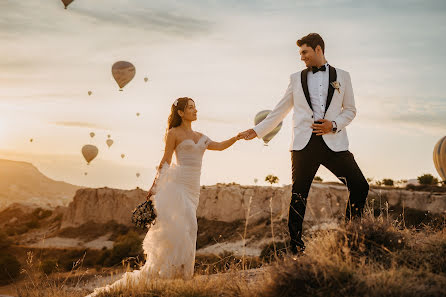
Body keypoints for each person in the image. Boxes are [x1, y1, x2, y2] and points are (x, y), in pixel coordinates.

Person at [86, 97, 242, 296]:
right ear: (180, 112)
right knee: (188, 225)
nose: (196, 111)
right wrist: (154, 186)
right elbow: (165, 161)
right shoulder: (173, 133)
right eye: (191, 108)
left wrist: (237, 137)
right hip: (177, 186)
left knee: (188, 229)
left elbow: (219, 146)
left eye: (195, 107)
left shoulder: (201, 136)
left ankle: (181, 275)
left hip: (194, 189)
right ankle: (179, 274)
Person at [238, 33, 369, 255]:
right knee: (299, 195)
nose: (301, 57)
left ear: (318, 49)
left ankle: (350, 239)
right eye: (300, 53)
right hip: (303, 145)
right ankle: (296, 248)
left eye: (304, 52)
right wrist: (257, 130)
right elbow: (280, 110)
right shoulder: (295, 79)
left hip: (334, 143)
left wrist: (334, 124)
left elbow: (351, 110)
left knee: (360, 186)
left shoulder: (343, 77)